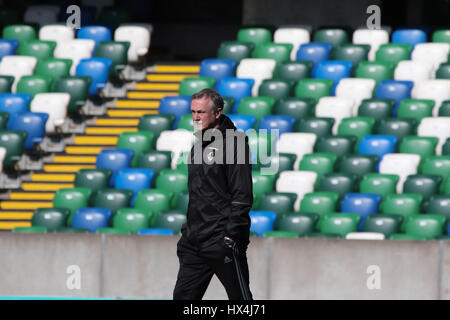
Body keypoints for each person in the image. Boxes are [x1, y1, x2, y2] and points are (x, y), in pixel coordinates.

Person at [173, 88, 253, 300]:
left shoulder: (235, 144)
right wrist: (189, 232)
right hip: (194, 242)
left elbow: (242, 195)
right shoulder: (198, 146)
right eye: (193, 112)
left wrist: (230, 236)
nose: (195, 117)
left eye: (201, 112)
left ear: (217, 113)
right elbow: (198, 194)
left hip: (221, 240)